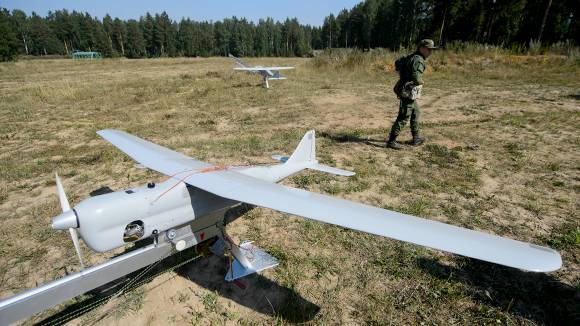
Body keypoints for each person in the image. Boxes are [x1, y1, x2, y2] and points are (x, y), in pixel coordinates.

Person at [387, 39, 437, 150]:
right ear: (422, 48)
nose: (430, 52)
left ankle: (416, 138)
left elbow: (398, 63)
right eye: (429, 49)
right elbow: (416, 78)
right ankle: (391, 141)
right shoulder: (418, 60)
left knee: (415, 112)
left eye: (431, 50)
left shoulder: (412, 56)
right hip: (407, 91)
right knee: (404, 115)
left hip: (407, 90)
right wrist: (421, 82)